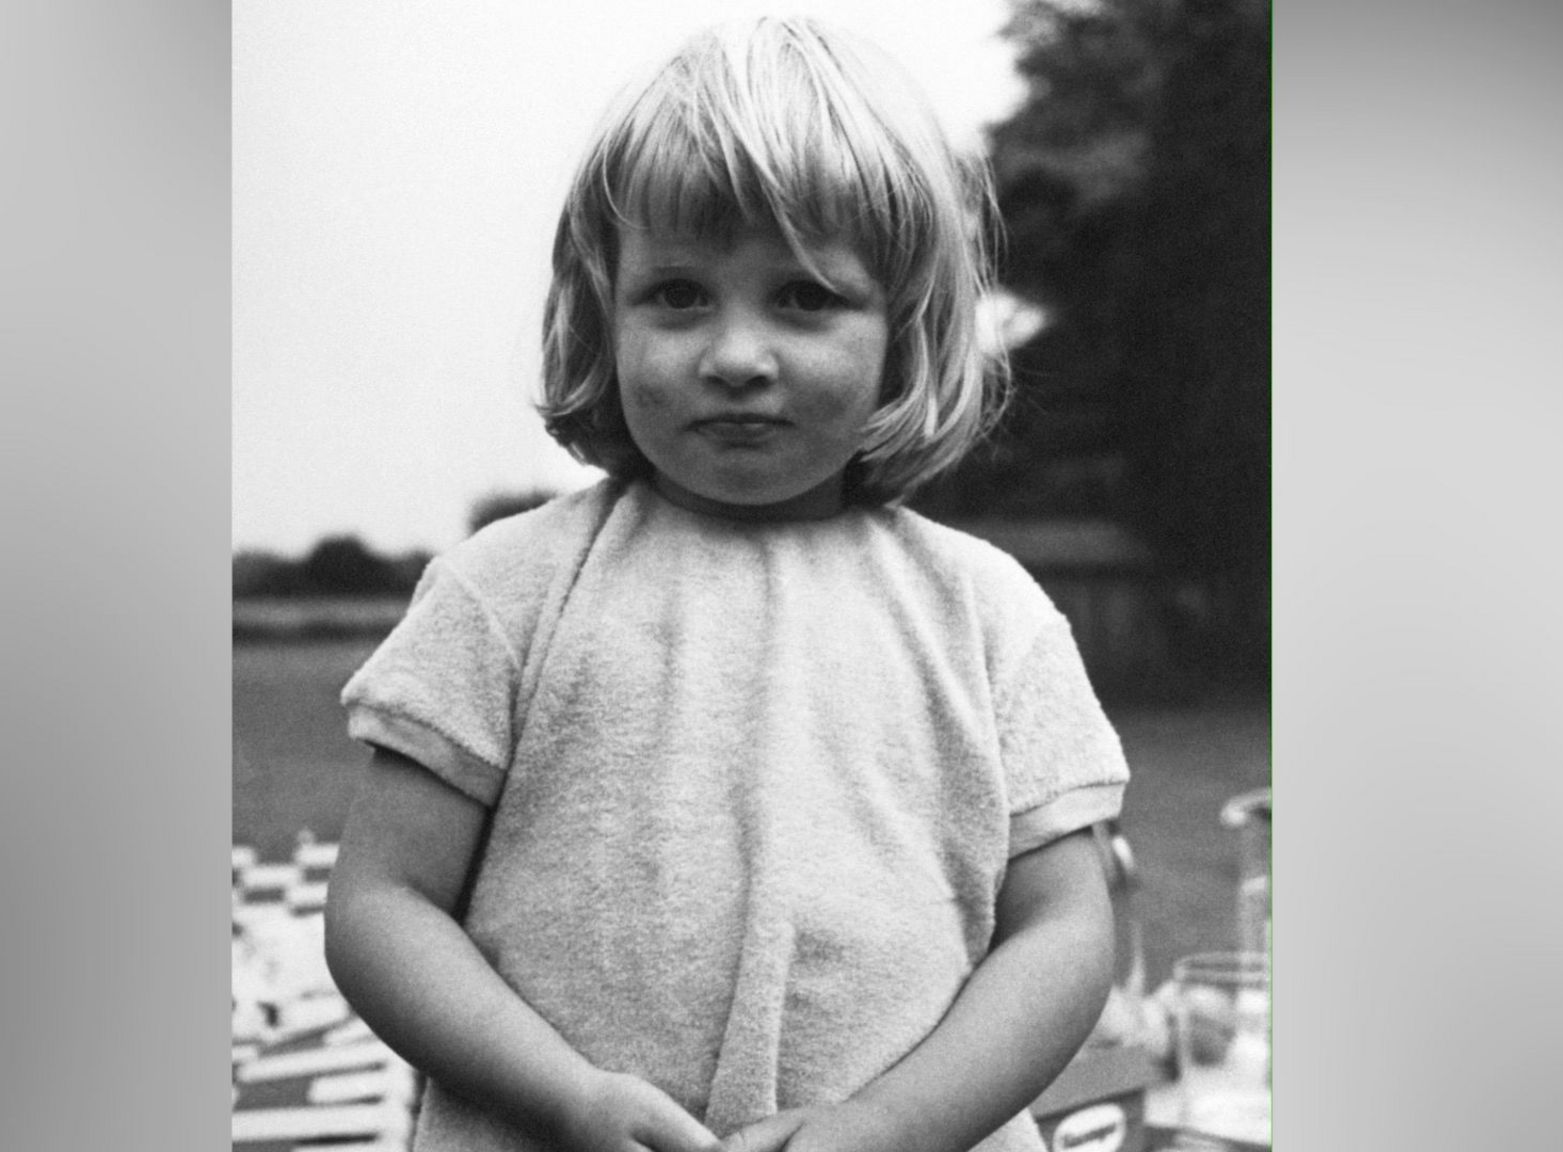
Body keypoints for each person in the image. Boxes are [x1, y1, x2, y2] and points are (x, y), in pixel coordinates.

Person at [325, 18, 1129, 1152]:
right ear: (602, 315)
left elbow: (1061, 935)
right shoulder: (500, 593)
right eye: (677, 295)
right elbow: (381, 908)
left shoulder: (989, 616)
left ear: (902, 331)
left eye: (802, 298)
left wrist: (891, 1124)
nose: (736, 354)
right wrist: (564, 1097)